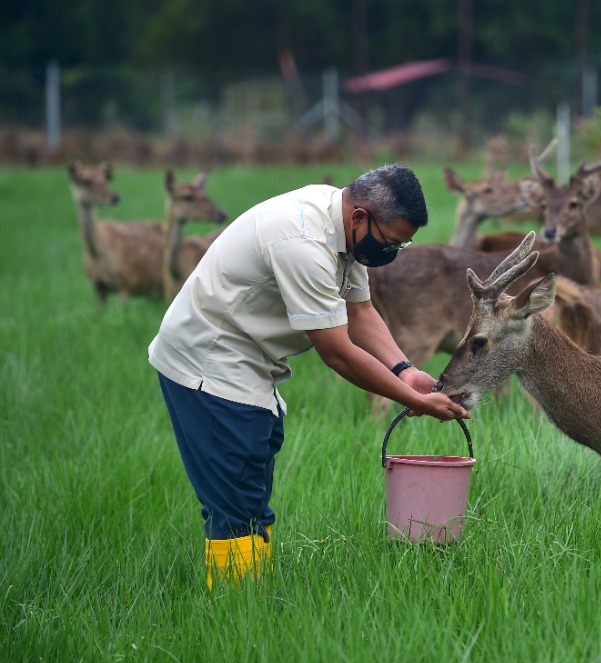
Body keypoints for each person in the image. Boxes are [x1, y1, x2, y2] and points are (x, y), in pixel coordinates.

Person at [148, 165, 469, 589]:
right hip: (211, 363)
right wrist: (417, 401)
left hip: (252, 363)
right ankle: (235, 608)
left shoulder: (342, 226)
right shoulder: (302, 241)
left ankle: (249, 599)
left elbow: (360, 311)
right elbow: (337, 352)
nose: (393, 251)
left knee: (251, 493)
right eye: (391, 241)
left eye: (402, 243)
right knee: (235, 501)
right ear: (360, 217)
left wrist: (405, 372)